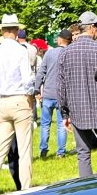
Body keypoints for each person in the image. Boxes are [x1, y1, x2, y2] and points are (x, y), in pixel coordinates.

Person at [0, 14, 36, 195]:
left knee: (1, 148)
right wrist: (30, 95)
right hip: (20, 99)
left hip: (3, 101)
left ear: (3, 31)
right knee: (24, 148)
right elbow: (27, 79)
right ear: (16, 30)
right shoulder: (21, 51)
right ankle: (26, 187)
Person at [59, 11, 97, 178]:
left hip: (77, 110)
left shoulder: (66, 53)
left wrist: (65, 113)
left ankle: (87, 193)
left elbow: (61, 87)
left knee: (83, 155)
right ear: (92, 28)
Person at [34, 27, 71, 159]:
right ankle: (61, 152)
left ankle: (43, 149)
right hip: (63, 96)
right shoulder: (70, 53)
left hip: (48, 94)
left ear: (60, 39)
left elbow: (41, 73)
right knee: (62, 125)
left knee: (45, 124)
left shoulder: (49, 54)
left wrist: (37, 89)